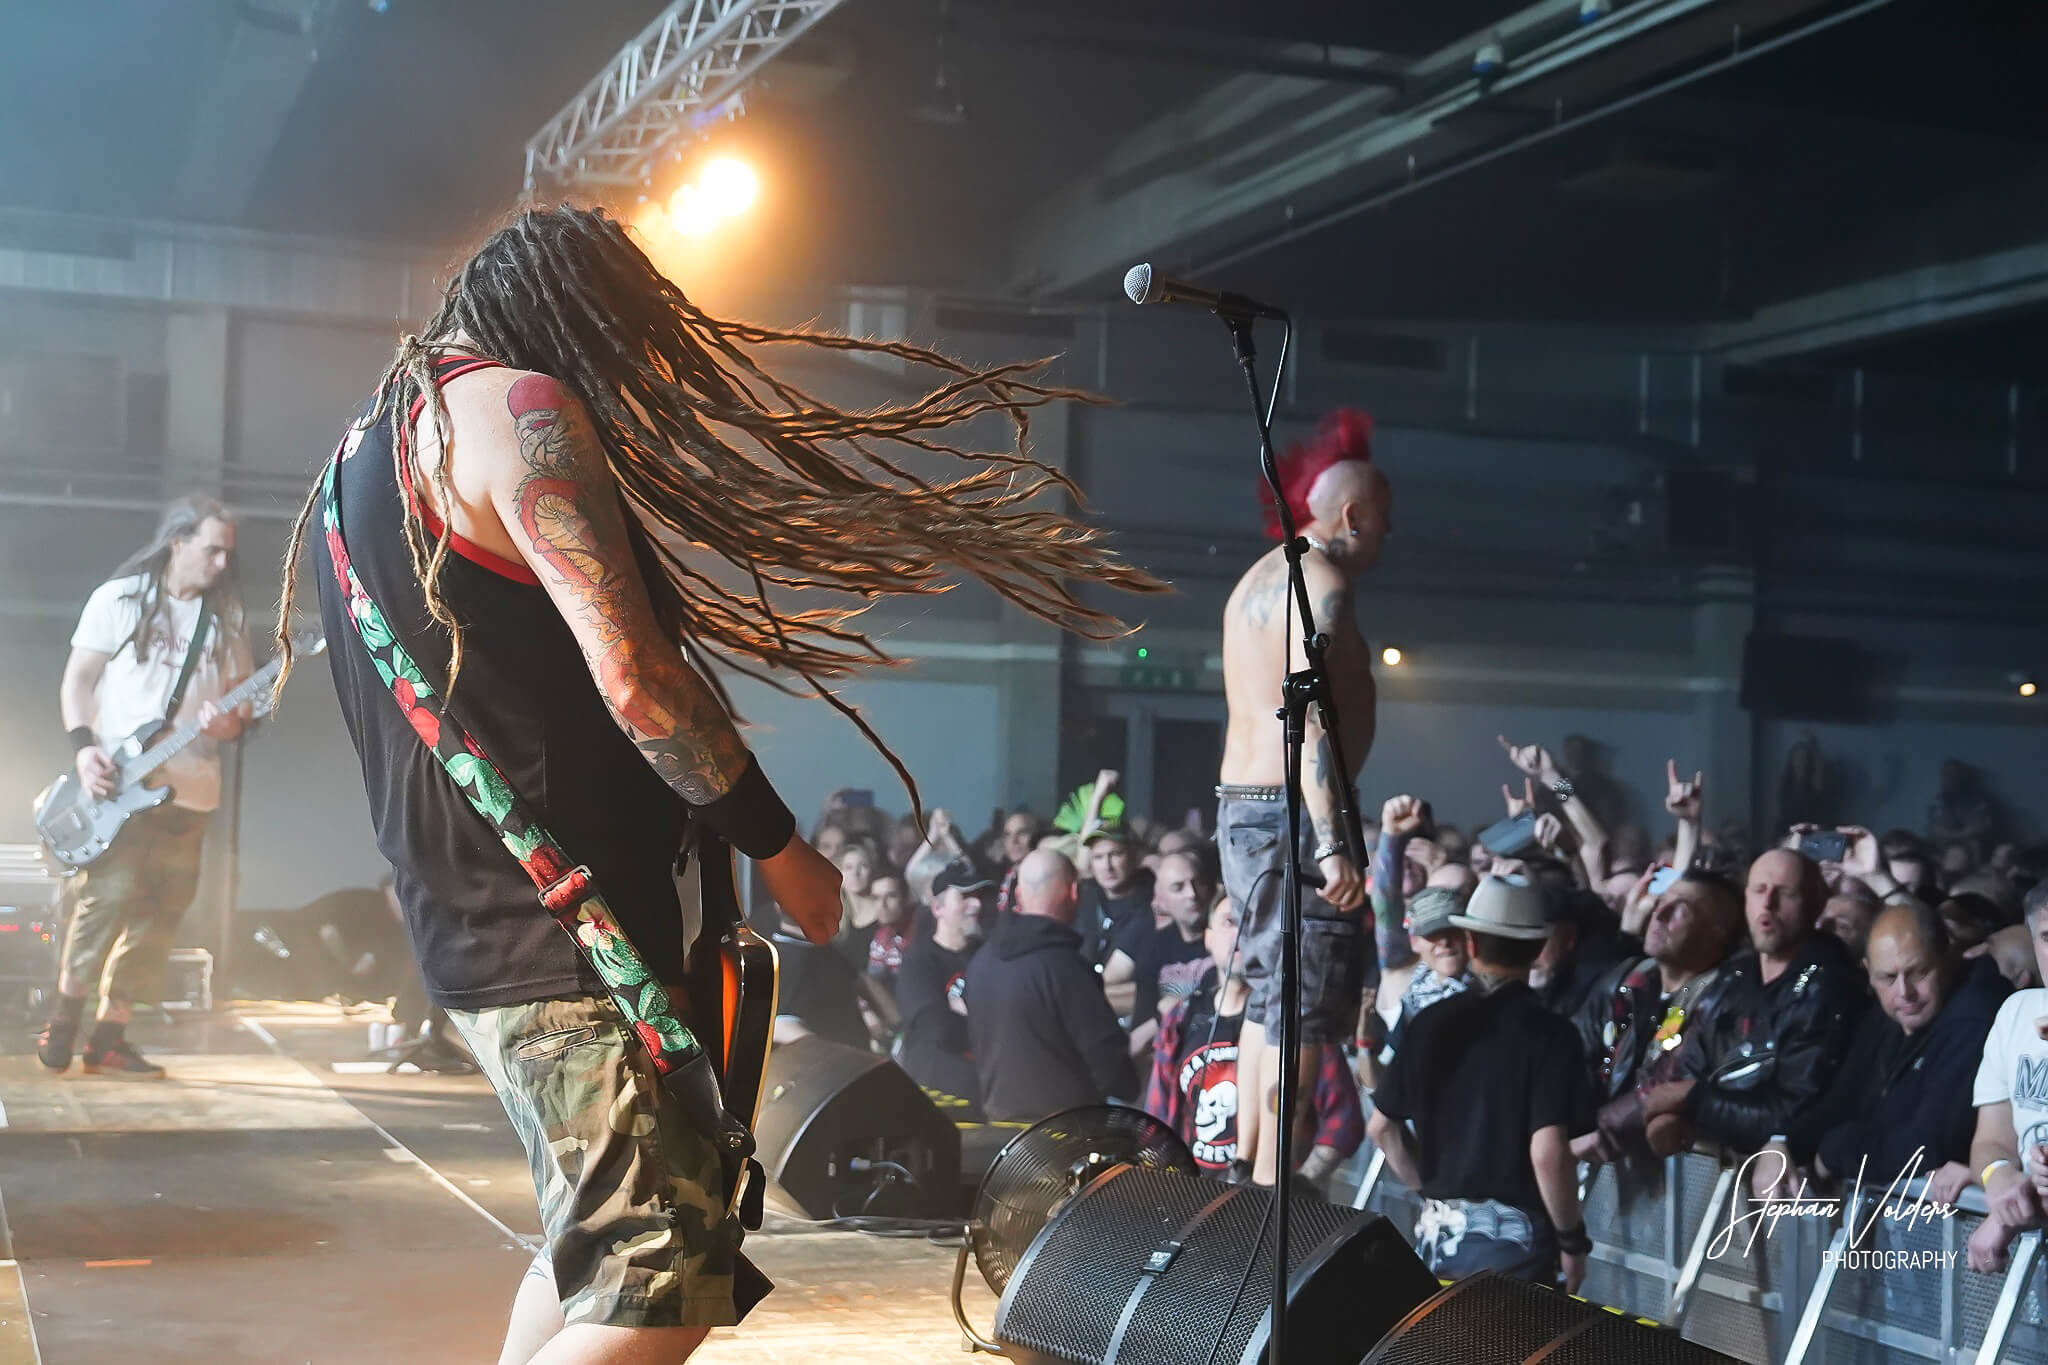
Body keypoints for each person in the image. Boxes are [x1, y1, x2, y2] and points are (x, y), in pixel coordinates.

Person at [278, 206, 1159, 1363]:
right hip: (566, 936)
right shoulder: (519, 411)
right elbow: (636, 679)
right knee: (660, 1282)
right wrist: (780, 849)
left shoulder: (370, 451)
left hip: (484, 919)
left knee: (593, 1252)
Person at [1218, 409, 1389, 1186]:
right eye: (1383, 517)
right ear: (1351, 515)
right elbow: (1311, 716)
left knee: (1270, 1000)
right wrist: (1332, 840)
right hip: (1293, 814)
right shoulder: (1323, 587)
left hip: (1244, 805)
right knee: (1303, 1012)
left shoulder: (1255, 581)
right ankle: (1270, 1194)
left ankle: (1249, 1178)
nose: (1388, 534)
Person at [39, 495, 252, 1078]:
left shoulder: (226, 617)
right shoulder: (120, 600)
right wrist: (84, 747)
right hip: (119, 788)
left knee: (158, 920)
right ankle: (63, 1021)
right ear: (178, 542)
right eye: (211, 550)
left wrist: (227, 723)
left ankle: (110, 1036)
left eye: (227, 554)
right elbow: (78, 680)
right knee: (104, 905)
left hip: (191, 794)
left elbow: (240, 710)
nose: (221, 563)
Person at [1366, 875, 1593, 1290]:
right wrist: (1572, 1241)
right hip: (1520, 1250)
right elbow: (1548, 1152)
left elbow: (1382, 1128)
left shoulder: (1429, 1023)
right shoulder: (1553, 1035)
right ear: (1538, 949)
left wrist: (1431, 1192)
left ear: (1471, 943)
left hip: (1437, 1242)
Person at [1755, 902, 2007, 1199]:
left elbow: (1926, 1146)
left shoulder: (1977, 1019)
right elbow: (1841, 1100)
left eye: (1919, 972)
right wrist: (1782, 1142)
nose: (1904, 992)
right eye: (1888, 977)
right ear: (1869, 973)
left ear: (1946, 957)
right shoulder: (1886, 1015)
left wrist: (1833, 1152)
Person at [1653, 850, 1862, 1160]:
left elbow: (1793, 1110)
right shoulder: (1731, 977)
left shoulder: (1826, 986)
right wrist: (1667, 1112)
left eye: (1785, 893)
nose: (1768, 903)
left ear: (1815, 904)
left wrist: (1691, 1100)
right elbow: (1684, 1068)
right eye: (1759, 890)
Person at [1145, 895, 1362, 1180]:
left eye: (1248, 923)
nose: (1239, 934)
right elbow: (1157, 1121)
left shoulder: (1294, 1020)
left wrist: (1299, 1184)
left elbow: (1344, 1122)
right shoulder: (1182, 1018)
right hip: (1196, 1192)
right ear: (1208, 938)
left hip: (1266, 1193)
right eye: (1229, 922)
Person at [1571, 871, 1742, 1165]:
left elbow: (1670, 1081)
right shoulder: (1627, 979)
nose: (1658, 914)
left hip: (1667, 1170)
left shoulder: (1722, 999)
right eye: (1661, 902)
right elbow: (1569, 1056)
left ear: (1717, 931)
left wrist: (1597, 1130)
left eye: (1680, 909)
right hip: (1595, 1157)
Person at [964, 849, 1136, 1121]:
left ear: (1018, 895)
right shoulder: (1066, 967)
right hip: (1065, 1135)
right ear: (1074, 893)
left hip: (1001, 1132)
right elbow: (1111, 1068)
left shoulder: (981, 962)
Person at [1955, 881, 2048, 1273]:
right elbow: (1990, 1141)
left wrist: (2005, 1219)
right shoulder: (2016, 1013)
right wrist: (2000, 1176)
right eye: (2047, 938)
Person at [895, 862, 988, 1105]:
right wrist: (983, 1019)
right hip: (941, 1097)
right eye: (965, 896)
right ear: (938, 907)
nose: (976, 904)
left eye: (978, 895)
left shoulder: (989, 955)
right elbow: (936, 1028)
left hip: (988, 1093)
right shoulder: (918, 962)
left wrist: (962, 1010)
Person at [1102, 849, 1213, 1050]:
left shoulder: (1226, 938)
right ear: (1162, 900)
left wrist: (1174, 1008)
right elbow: (1141, 1025)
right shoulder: (1155, 946)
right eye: (1178, 888)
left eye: (1198, 883)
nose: (1192, 894)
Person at [1077, 820, 1154, 965]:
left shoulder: (1152, 903)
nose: (1107, 866)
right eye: (1098, 857)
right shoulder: (1084, 896)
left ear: (1134, 857)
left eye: (1116, 854)